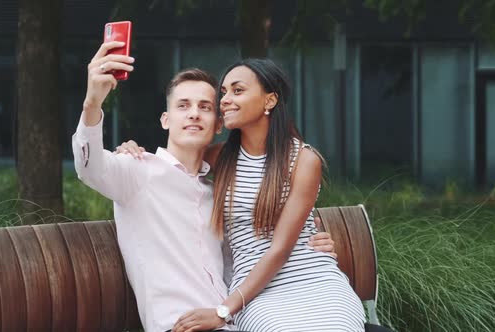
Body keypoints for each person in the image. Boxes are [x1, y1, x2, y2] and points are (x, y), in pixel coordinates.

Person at [72, 42, 336, 332]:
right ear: (166, 119)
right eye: (183, 106)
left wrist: (312, 238)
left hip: (238, 321)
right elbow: (90, 167)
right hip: (182, 326)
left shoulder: (220, 191)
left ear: (218, 124)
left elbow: (256, 244)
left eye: (205, 107)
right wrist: (92, 103)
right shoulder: (136, 173)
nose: (194, 114)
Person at [170, 59, 367, 332]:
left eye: (237, 91)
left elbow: (281, 249)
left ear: (270, 100)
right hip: (255, 295)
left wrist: (222, 311)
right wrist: (130, 149)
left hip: (316, 282)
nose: (225, 100)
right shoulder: (218, 157)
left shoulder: (303, 160)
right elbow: (168, 159)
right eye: (224, 93)